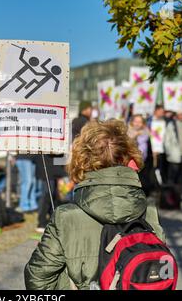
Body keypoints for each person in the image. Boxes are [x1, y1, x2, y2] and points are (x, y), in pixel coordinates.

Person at [24, 120, 166, 289]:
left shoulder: (66, 217)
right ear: (129, 157)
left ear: (82, 160)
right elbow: (160, 272)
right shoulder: (149, 212)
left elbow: (38, 276)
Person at [33, 154, 66, 233]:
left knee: (54, 195)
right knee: (46, 194)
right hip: (47, 165)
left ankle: (52, 219)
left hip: (56, 163)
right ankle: (41, 222)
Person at [127, 114, 155, 196]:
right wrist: (135, 136)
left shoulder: (147, 133)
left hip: (144, 161)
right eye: (136, 121)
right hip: (131, 162)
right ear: (132, 122)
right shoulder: (127, 132)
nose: (137, 123)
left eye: (140, 122)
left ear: (143, 123)